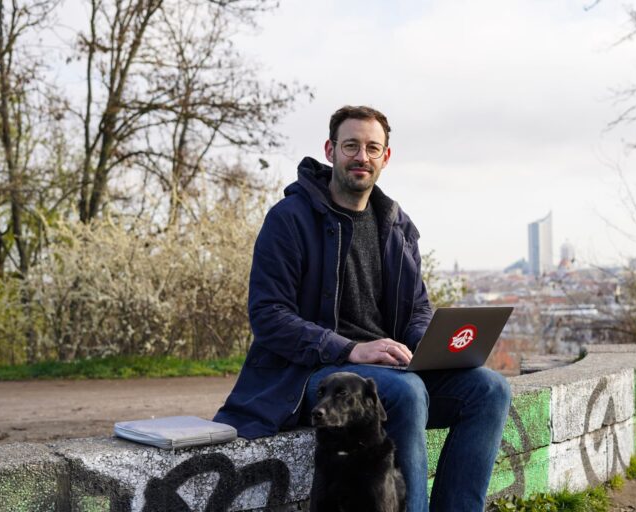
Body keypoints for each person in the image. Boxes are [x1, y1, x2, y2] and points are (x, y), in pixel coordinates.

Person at [214, 105, 511, 511]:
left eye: (373, 148)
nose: (362, 156)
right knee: (405, 393)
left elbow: (417, 310)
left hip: (387, 372)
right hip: (309, 376)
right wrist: (349, 350)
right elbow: (268, 316)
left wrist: (431, 348)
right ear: (331, 150)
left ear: (385, 157)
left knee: (489, 389)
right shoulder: (289, 220)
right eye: (351, 145)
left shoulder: (397, 225)